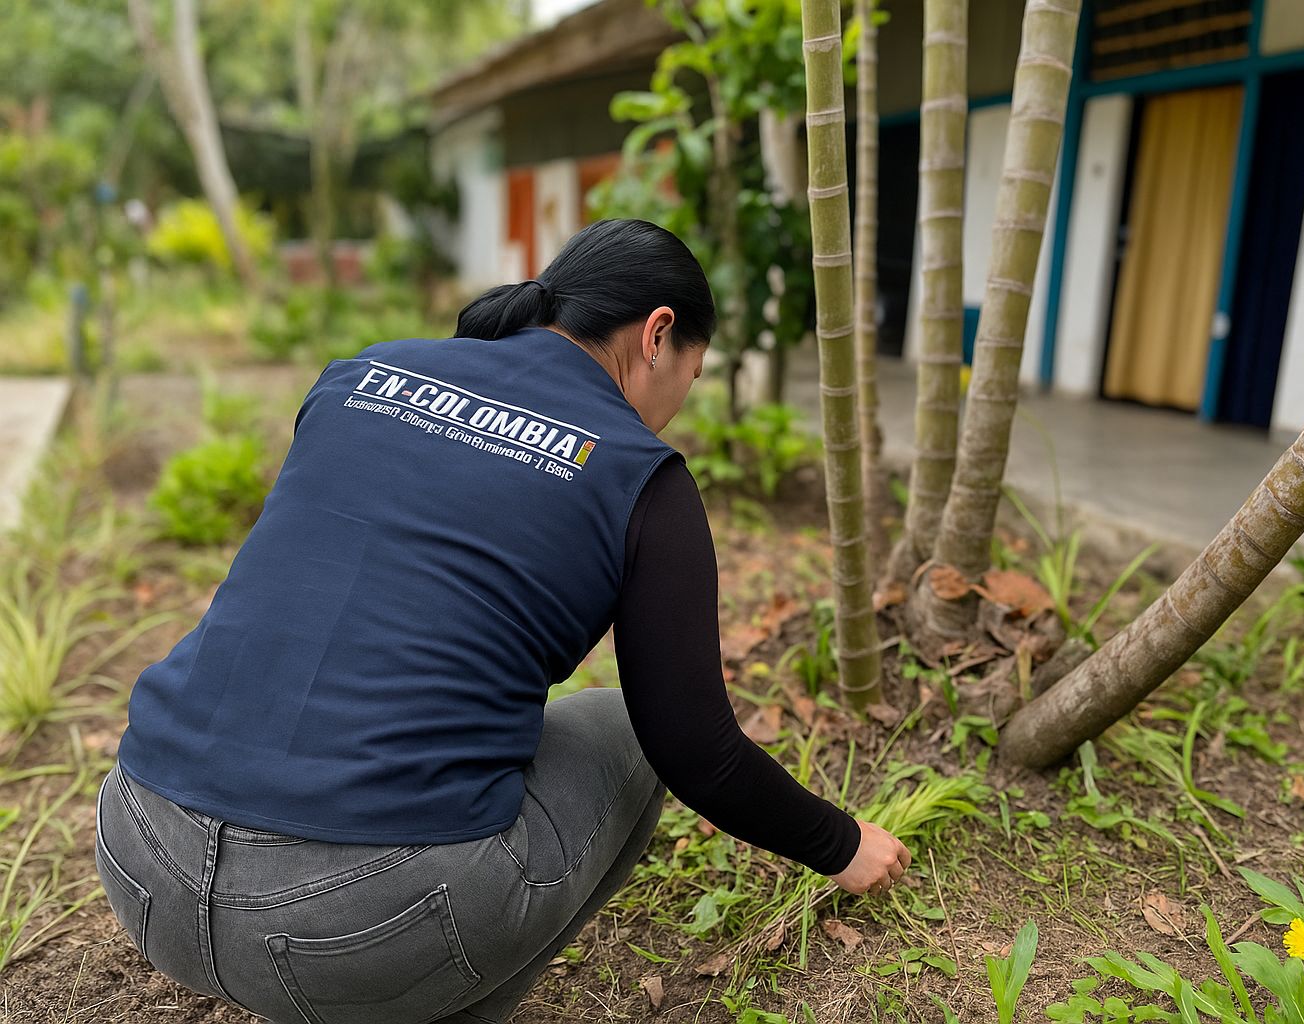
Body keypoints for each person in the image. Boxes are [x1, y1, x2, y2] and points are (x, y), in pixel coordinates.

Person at [94, 219, 910, 1024]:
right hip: (354, 931)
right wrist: (840, 845)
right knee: (629, 729)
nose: (678, 405)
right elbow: (694, 748)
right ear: (658, 334)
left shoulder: (363, 373)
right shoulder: (637, 474)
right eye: (692, 374)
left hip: (140, 856)